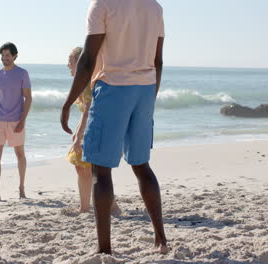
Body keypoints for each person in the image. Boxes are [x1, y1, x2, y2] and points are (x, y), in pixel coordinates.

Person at [60, 0, 168, 255]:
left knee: (101, 171)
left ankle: (104, 250)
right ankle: (161, 240)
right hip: (145, 89)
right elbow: (158, 60)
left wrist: (67, 103)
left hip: (112, 88)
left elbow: (87, 60)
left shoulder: (102, 4)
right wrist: (151, 98)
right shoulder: (154, 7)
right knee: (142, 166)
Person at [66, 47, 120, 215]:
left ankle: (107, 206)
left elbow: (89, 111)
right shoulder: (82, 82)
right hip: (91, 129)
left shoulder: (89, 82)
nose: (68, 64)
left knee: (92, 170)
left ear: (79, 63)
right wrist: (77, 132)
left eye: (71, 61)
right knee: (83, 168)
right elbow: (84, 112)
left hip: (95, 130)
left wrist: (79, 136)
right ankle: (89, 206)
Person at [0, 42, 32, 201]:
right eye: (2, 55)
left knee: (20, 155)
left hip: (16, 120)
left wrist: (22, 120)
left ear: (14, 56)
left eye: (7, 55)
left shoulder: (22, 73)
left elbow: (28, 98)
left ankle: (22, 190)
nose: (4, 58)